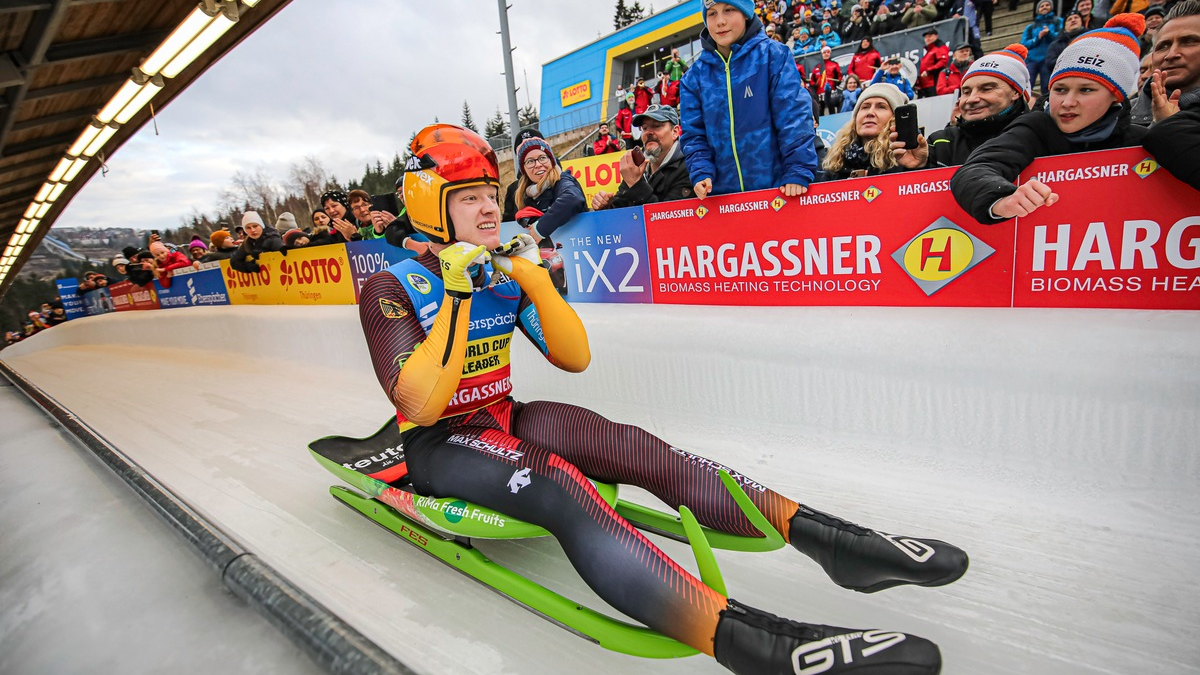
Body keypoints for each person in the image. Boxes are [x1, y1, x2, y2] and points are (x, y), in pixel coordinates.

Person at [359, 124, 965, 675]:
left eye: (491, 193)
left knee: (637, 447)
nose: (491, 207)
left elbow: (574, 358)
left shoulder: (500, 273)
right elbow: (419, 405)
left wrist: (538, 284)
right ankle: (755, 644)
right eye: (469, 197)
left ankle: (832, 540)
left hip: (504, 416)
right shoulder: (391, 285)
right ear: (432, 210)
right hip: (440, 442)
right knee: (560, 486)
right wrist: (458, 298)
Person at [951, 15, 1150, 223]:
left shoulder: (1140, 139)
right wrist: (1001, 200)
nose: (1068, 102)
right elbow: (975, 170)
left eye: (1086, 90)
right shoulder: (1035, 128)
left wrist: (1169, 129)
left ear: (1116, 96)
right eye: (1060, 90)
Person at [680, 0, 817, 199]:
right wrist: (700, 171)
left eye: (729, 10)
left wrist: (797, 168)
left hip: (778, 193)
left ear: (745, 13)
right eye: (712, 13)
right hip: (723, 200)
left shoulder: (773, 55)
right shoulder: (693, 77)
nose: (720, 21)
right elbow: (693, 134)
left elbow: (794, 117)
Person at [897, 44, 1032, 168]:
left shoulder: (1037, 136)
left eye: (986, 89)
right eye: (966, 92)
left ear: (1016, 92)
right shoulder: (939, 142)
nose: (971, 99)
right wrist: (920, 166)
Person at [1142, 0, 1200, 190]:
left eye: (1189, 41)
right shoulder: (1121, 118)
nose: (1171, 54)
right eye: (1163, 46)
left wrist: (1171, 129)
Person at [590, 105, 696, 210]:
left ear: (675, 132)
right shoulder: (637, 164)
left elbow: (668, 216)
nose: (648, 133)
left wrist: (636, 185)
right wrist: (606, 206)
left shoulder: (690, 166)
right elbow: (620, 209)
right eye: (644, 128)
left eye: (656, 126)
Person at [821, 82, 909, 180]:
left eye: (881, 107)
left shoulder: (906, 159)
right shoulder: (837, 162)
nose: (870, 112)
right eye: (865, 107)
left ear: (894, 118)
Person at [512, 136, 586, 246]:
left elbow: (573, 198)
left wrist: (540, 228)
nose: (538, 165)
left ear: (551, 161)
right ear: (524, 169)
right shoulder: (523, 195)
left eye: (542, 158)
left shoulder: (562, 180)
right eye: (530, 161)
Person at [502, 128, 545, 222]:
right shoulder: (513, 189)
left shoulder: (564, 181)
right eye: (529, 160)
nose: (537, 164)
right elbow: (508, 224)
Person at [1023, 0, 1064, 96]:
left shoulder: (1058, 21)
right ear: (1038, 10)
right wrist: (1038, 38)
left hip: (1048, 59)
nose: (1045, 7)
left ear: (1051, 7)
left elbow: (1060, 37)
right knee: (1027, 85)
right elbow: (1025, 43)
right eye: (1042, 6)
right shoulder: (1030, 27)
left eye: (1047, 5)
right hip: (1032, 60)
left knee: (1046, 86)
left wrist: (1049, 34)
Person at [811, 45, 845, 114]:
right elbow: (812, 80)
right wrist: (814, 84)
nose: (826, 54)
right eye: (824, 52)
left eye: (828, 52)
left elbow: (839, 76)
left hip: (831, 91)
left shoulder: (834, 64)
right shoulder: (817, 67)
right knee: (820, 112)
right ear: (822, 54)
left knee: (832, 110)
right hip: (820, 93)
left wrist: (839, 80)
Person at [917, 28, 950, 97]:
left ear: (936, 36)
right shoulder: (930, 50)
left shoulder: (939, 47)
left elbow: (942, 62)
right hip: (926, 85)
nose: (927, 39)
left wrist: (928, 71)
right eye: (926, 37)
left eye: (930, 36)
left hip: (934, 83)